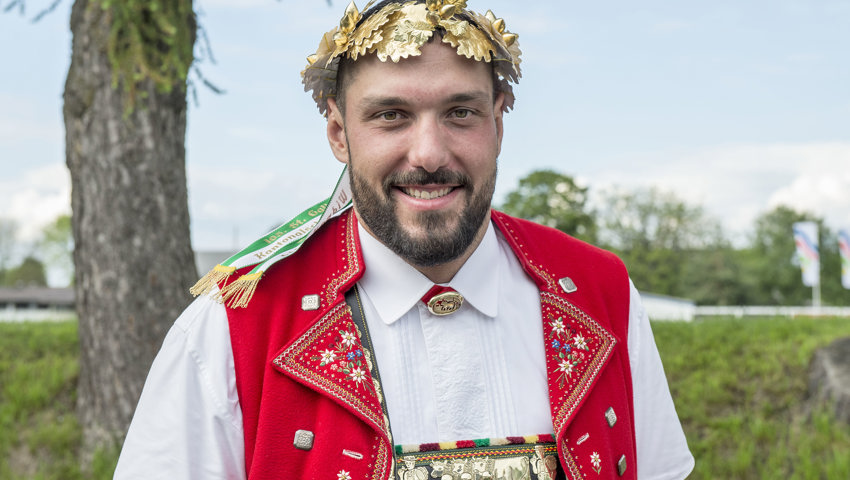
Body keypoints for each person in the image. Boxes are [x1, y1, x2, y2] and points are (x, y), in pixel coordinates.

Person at [114, 1, 695, 479]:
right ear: (339, 135)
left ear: (499, 120)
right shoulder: (234, 325)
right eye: (391, 116)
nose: (429, 154)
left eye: (461, 113)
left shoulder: (601, 294)